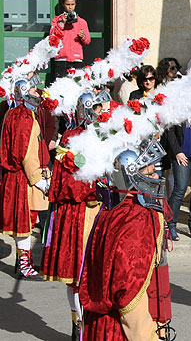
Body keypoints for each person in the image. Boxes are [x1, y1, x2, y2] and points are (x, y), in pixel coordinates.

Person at [79, 141, 172, 340]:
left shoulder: (111, 209)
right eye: (149, 173)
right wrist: (149, 336)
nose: (157, 177)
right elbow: (128, 289)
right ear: (132, 177)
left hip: (100, 324)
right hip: (122, 330)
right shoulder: (137, 218)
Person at [40, 90, 113, 339]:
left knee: (87, 273)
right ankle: (79, 323)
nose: (102, 113)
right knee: (79, 272)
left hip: (90, 210)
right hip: (81, 212)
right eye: (98, 109)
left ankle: (83, 322)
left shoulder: (93, 135)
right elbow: (73, 184)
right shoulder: (75, 138)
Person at [0, 73, 51, 279]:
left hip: (20, 176)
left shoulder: (18, 114)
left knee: (26, 221)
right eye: (31, 90)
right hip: (22, 178)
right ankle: (24, 264)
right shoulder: (22, 117)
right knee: (25, 222)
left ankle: (25, 261)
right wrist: (38, 179)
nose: (36, 94)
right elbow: (26, 152)